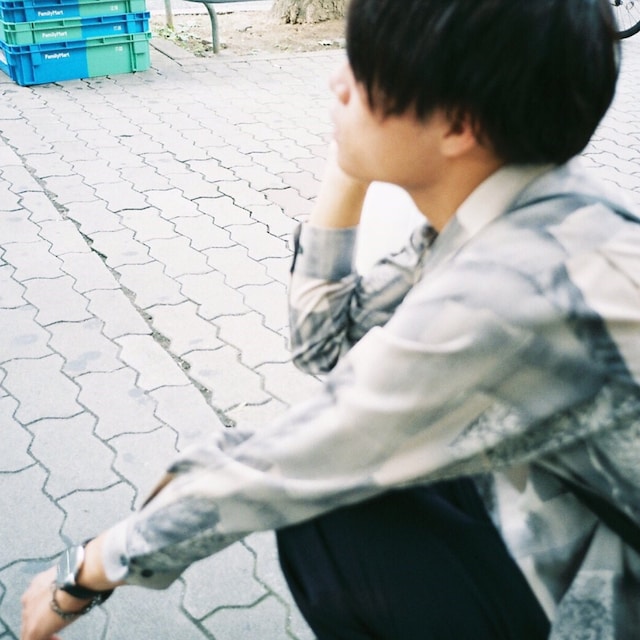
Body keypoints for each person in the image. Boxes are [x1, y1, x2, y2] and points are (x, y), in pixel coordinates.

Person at [21, 0, 640, 638]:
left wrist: (85, 572)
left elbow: (284, 467)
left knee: (320, 510)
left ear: (459, 123)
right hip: (569, 508)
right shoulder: (526, 209)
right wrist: (348, 165)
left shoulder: (512, 293)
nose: (336, 81)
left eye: (364, 68)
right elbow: (322, 344)